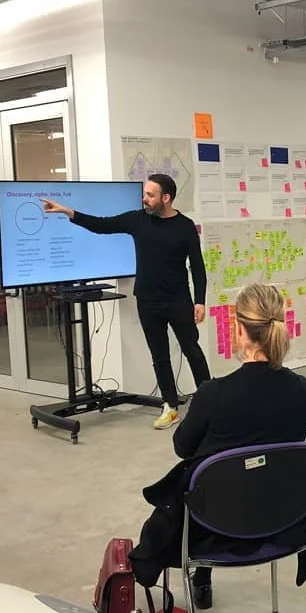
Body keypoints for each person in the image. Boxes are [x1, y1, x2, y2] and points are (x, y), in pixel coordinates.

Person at [128, 283, 306, 608]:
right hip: (284, 519)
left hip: (214, 528)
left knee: (205, 485)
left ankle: (201, 576)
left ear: (240, 331)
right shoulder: (304, 391)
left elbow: (182, 447)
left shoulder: (212, 395)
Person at [43, 173, 210, 430]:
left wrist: (200, 301)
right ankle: (170, 405)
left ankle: (210, 402)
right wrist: (67, 212)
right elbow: (101, 225)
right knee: (160, 356)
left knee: (192, 351)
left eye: (150, 195)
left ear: (166, 198)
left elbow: (197, 266)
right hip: (147, 300)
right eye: (145, 194)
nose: (145, 199)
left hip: (179, 300)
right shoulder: (137, 220)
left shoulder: (185, 226)